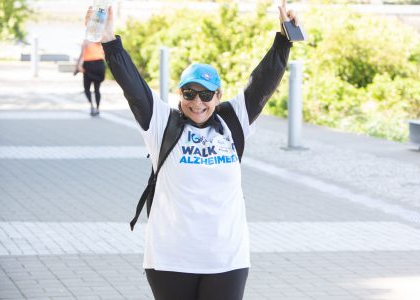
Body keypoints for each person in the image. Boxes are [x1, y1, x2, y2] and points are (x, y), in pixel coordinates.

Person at [87, 0, 297, 298]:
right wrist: (109, 40)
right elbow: (133, 86)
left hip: (227, 258)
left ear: (218, 95)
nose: (197, 102)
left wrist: (284, 39)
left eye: (206, 94)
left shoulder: (233, 121)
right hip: (171, 258)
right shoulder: (161, 123)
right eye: (189, 93)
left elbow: (263, 82)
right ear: (179, 93)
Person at [75, 40, 106, 116]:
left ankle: (92, 106)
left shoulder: (87, 41)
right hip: (99, 65)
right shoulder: (99, 41)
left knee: (87, 89)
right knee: (97, 89)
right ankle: (97, 108)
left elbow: (81, 55)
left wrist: (77, 65)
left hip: (89, 65)